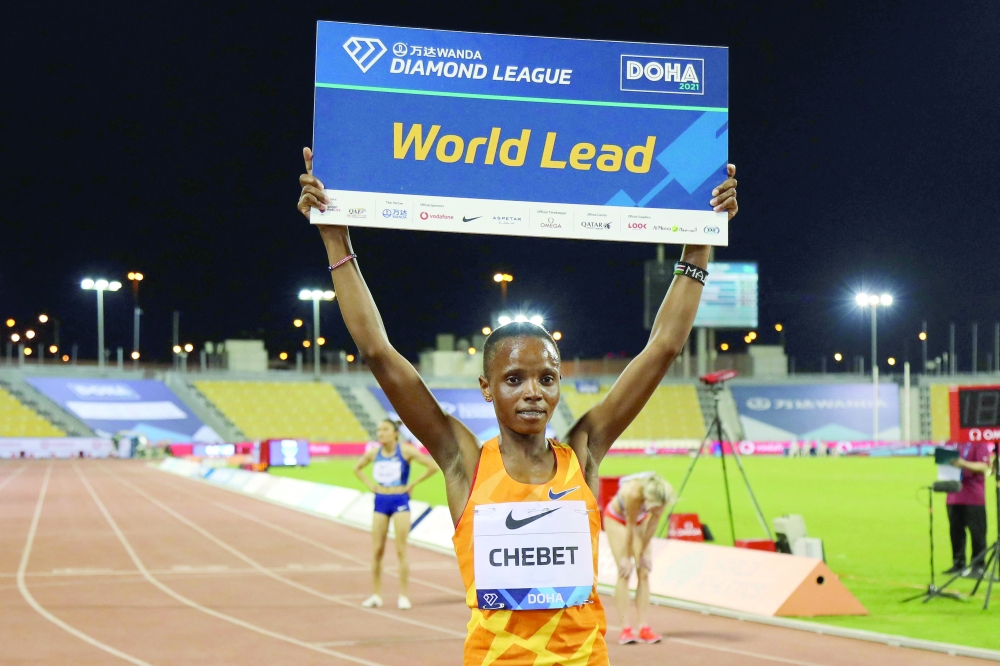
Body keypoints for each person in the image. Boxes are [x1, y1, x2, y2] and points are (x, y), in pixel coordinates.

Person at [298, 147, 738, 665]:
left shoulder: (585, 452)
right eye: (514, 379)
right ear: (487, 388)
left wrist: (699, 247)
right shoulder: (462, 460)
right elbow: (377, 351)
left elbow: (663, 347)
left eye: (547, 378)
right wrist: (336, 238)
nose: (534, 391)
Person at [354, 418, 440, 609]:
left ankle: (403, 595)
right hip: (380, 502)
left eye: (384, 429)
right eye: (378, 430)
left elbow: (432, 466)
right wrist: (370, 486)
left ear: (394, 433)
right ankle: (376, 595)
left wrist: (412, 484)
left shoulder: (406, 451)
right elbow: (357, 469)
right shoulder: (374, 453)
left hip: (400, 501)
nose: (380, 433)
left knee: (401, 549)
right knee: (377, 551)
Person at [602, 472, 672, 645]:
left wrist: (643, 555)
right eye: (651, 506)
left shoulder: (662, 497)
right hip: (617, 520)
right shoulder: (634, 494)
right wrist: (626, 557)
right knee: (624, 571)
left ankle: (644, 627)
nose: (654, 510)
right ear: (646, 497)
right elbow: (630, 526)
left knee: (644, 571)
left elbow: (653, 524)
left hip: (640, 522)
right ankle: (625, 628)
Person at [944, 442, 993, 577]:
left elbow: (984, 466)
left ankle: (978, 566)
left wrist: (963, 464)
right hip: (953, 493)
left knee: (977, 533)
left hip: (973, 496)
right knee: (956, 532)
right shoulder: (952, 443)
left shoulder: (978, 444)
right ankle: (958, 564)